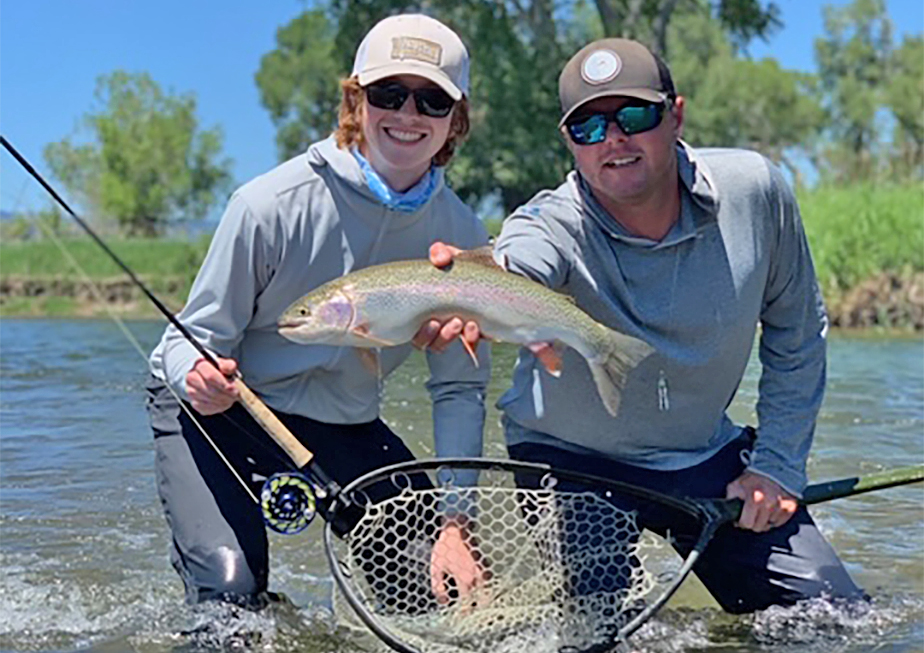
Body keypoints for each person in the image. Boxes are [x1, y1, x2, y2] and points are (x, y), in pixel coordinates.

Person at [420, 37, 865, 613]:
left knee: (836, 619)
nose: (614, 140)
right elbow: (516, 262)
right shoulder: (547, 222)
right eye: (589, 128)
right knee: (599, 632)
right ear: (569, 144)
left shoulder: (757, 192)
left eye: (633, 116)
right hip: (568, 460)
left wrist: (777, 468)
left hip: (702, 454)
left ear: (675, 115)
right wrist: (467, 291)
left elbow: (798, 333)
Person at [146, 14, 490, 608]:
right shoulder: (266, 205)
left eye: (431, 100)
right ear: (356, 100)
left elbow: (460, 389)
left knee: (440, 592)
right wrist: (195, 376)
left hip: (346, 425)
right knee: (231, 601)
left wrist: (457, 522)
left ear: (455, 120)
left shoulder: (462, 234)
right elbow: (189, 339)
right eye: (389, 93)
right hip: (219, 414)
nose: (408, 115)